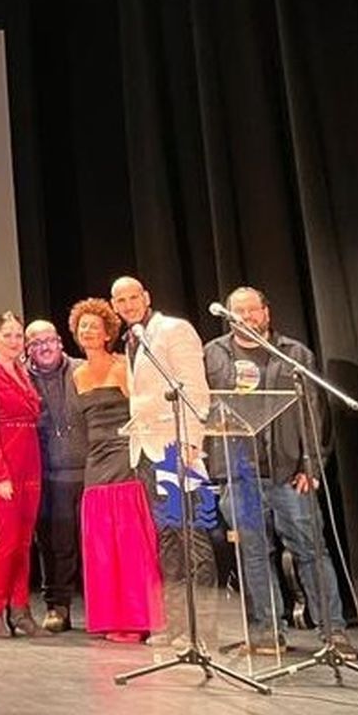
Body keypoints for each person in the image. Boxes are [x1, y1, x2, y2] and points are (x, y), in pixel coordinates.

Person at [204, 286, 352, 657]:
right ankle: (267, 632)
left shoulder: (293, 354)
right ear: (228, 315)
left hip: (288, 474)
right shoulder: (214, 355)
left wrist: (312, 465)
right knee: (253, 552)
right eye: (238, 312)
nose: (246, 317)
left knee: (310, 551)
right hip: (239, 473)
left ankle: (332, 631)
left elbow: (314, 414)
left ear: (266, 313)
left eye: (253, 310)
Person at [110, 275, 219, 654]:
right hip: (145, 450)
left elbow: (194, 386)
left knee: (193, 538)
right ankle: (176, 625)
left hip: (176, 446)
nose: (127, 305)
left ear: (147, 296)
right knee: (168, 542)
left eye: (132, 297)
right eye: (119, 300)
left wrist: (191, 440)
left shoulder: (174, 330)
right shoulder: (131, 340)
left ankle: (203, 630)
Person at [68, 298, 163, 642]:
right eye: (83, 326)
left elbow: (141, 413)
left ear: (108, 332)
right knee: (103, 545)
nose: (89, 331)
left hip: (125, 458)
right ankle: (111, 617)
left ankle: (138, 619)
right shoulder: (76, 374)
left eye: (95, 325)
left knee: (130, 542)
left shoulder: (123, 367)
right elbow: (77, 425)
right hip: (96, 462)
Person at [0, 312, 44, 638]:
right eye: (8, 335)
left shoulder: (20, 371)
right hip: (2, 465)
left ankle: (20, 608)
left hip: (29, 461)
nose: (15, 341)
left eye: (18, 336)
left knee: (25, 541)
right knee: (7, 538)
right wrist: (0, 474)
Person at [25, 319, 84, 633]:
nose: (44, 347)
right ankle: (57, 606)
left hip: (91, 469)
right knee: (54, 544)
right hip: (47, 474)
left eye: (49, 340)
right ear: (27, 349)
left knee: (94, 545)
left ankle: (108, 611)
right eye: (35, 343)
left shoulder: (84, 370)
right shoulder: (20, 379)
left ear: (61, 342)